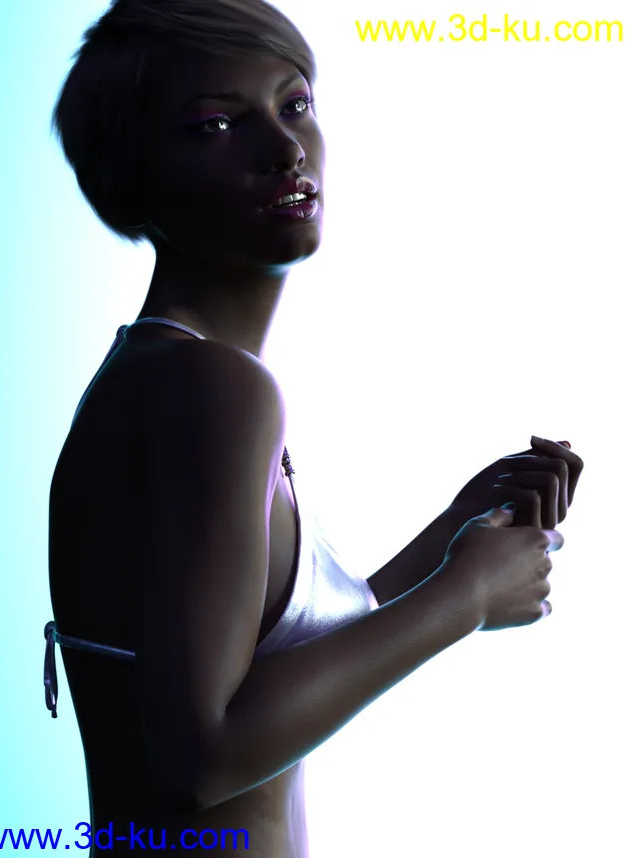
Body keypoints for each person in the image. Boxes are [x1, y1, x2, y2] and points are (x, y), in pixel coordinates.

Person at [43, 1, 582, 855]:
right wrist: (464, 597)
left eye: (294, 105)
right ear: (130, 179)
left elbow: (263, 670)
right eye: (217, 124)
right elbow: (202, 758)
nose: (286, 149)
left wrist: (449, 543)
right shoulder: (217, 390)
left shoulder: (155, 377)